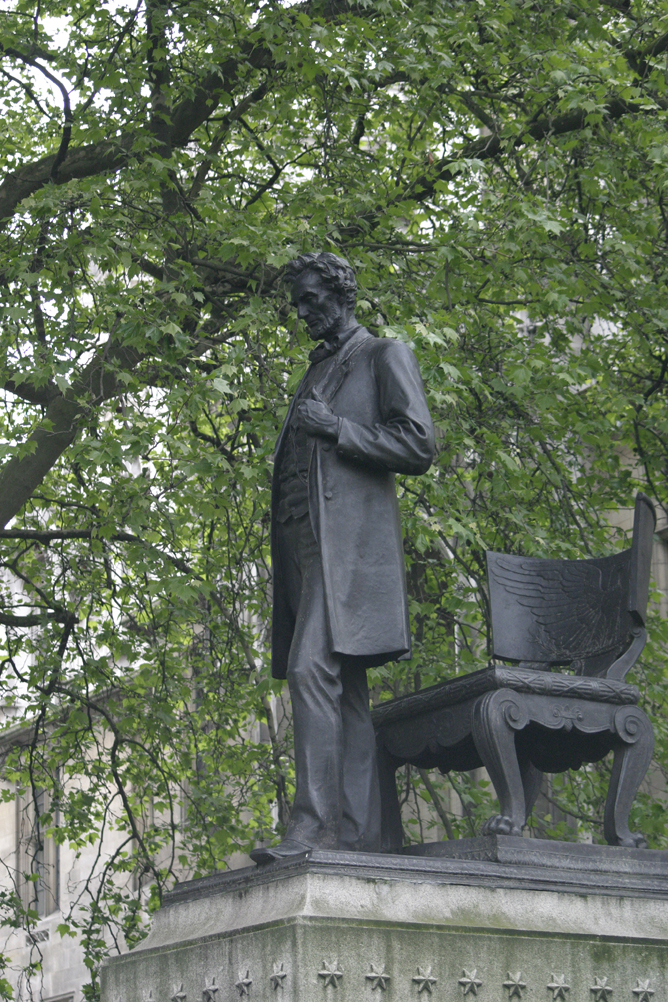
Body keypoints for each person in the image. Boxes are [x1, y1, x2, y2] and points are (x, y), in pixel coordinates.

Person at [250, 252, 434, 864]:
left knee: (309, 669)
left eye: (311, 299)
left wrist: (337, 430)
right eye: (297, 303)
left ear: (341, 293)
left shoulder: (384, 355)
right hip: (302, 543)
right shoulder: (316, 369)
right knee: (344, 685)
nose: (303, 312)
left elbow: (419, 443)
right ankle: (359, 836)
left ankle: (314, 829)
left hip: (346, 550)